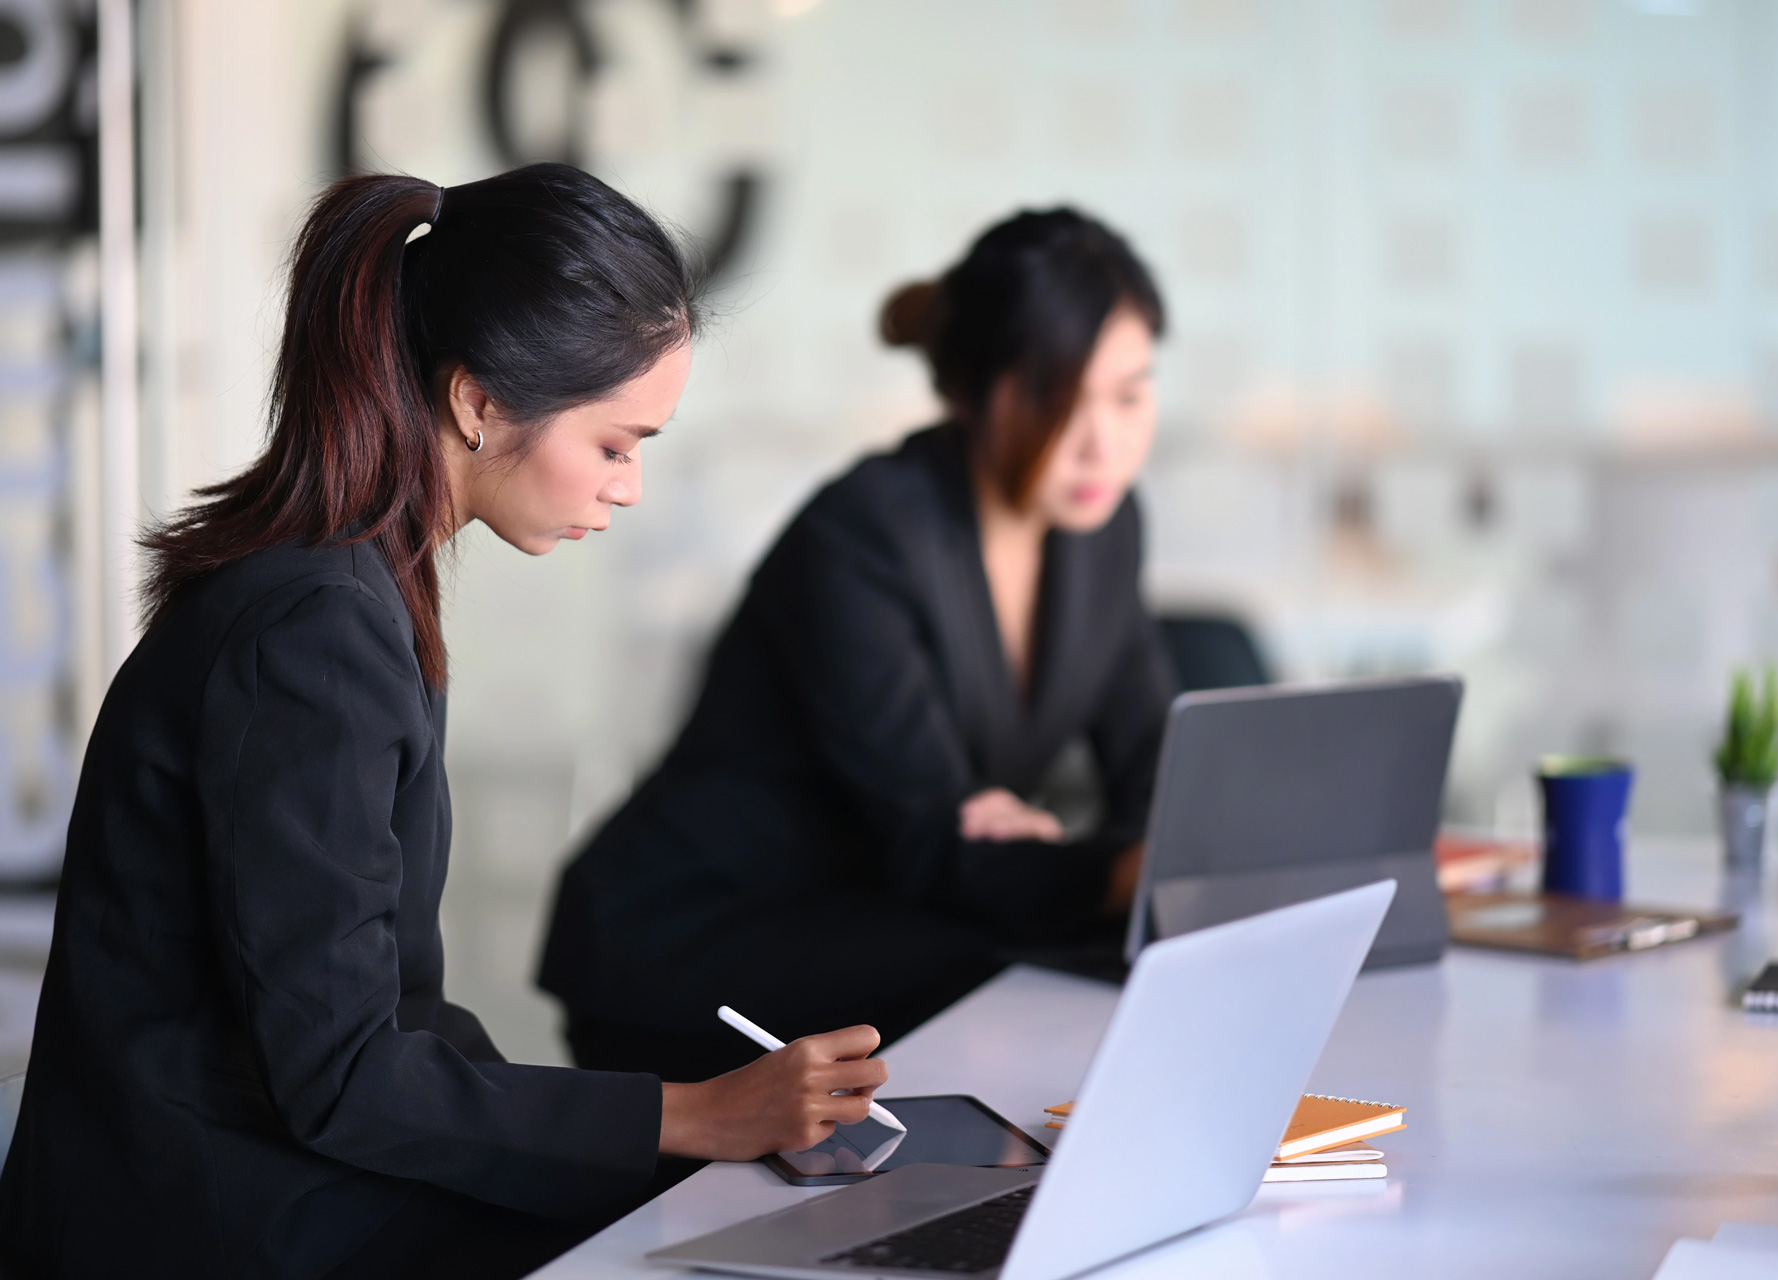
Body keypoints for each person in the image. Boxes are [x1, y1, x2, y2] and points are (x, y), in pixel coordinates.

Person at [0, 165, 889, 1280]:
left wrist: (666, 1129)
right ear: (477, 400)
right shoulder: (315, 634)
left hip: (267, 1182)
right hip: (220, 1223)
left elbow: (391, 1019)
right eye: (617, 443)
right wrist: (691, 1115)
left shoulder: (351, 587)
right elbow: (346, 1073)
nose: (629, 487)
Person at [540, 208, 1178, 1081]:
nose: (1103, 439)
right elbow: (937, 846)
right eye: (1056, 397)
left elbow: (1160, 775)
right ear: (970, 389)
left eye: (1131, 394)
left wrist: (1102, 859)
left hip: (891, 916)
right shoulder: (865, 533)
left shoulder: (1104, 528)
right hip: (705, 932)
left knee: (1087, 969)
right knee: (1047, 975)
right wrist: (1099, 869)